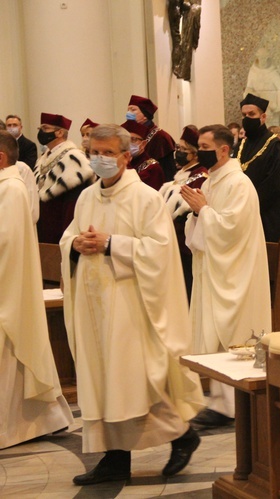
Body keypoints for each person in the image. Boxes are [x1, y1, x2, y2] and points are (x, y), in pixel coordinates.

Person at [60, 124, 204, 485]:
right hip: (94, 303)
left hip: (130, 304)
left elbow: (159, 252)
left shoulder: (145, 198)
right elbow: (69, 236)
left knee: (135, 380)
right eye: (95, 152)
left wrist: (112, 244)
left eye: (109, 153)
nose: (100, 159)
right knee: (105, 379)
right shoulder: (87, 197)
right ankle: (114, 458)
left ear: (127, 156)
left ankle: (182, 434)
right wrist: (74, 245)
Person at [182, 125, 272, 428]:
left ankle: (239, 404)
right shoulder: (211, 181)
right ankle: (221, 403)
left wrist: (203, 211)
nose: (200, 151)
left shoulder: (239, 183)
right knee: (214, 335)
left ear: (223, 150)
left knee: (235, 332)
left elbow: (232, 229)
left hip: (237, 272)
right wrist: (197, 213)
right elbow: (204, 228)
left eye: (206, 146)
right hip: (214, 270)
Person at [0, 130, 73, 450]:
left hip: (9, 288)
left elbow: (8, 243)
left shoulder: (12, 190)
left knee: (14, 355)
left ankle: (20, 426)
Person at [235, 93, 280, 242]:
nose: (247, 118)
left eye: (252, 114)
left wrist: (248, 205)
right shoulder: (241, 145)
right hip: (242, 216)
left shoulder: (275, 146)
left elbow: (274, 186)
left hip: (267, 217)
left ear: (263, 117)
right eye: (244, 115)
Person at [159, 126, 209, 297]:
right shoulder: (182, 172)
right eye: (177, 148)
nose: (177, 152)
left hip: (184, 241)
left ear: (194, 154)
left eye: (182, 149)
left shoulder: (201, 175)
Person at [34, 112, 94, 243]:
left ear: (60, 133)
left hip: (62, 228)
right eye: (40, 129)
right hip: (44, 227)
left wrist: (68, 238)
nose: (41, 133)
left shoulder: (74, 158)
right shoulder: (42, 159)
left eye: (45, 129)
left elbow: (73, 203)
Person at [126, 95, 177, 181]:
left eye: (133, 109)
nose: (128, 113)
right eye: (128, 110)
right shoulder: (127, 132)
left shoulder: (161, 136)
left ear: (145, 115)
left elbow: (168, 171)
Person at [244, 47, 280, 126]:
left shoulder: (272, 73)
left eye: (264, 57)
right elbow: (248, 88)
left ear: (267, 58)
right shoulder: (253, 72)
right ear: (257, 57)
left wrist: (276, 106)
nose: (262, 59)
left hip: (271, 112)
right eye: (260, 57)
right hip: (256, 111)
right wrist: (253, 96)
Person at [121, 120, 166, 190]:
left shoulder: (152, 168)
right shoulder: (119, 163)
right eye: (124, 140)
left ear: (143, 144)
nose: (127, 144)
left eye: (133, 139)